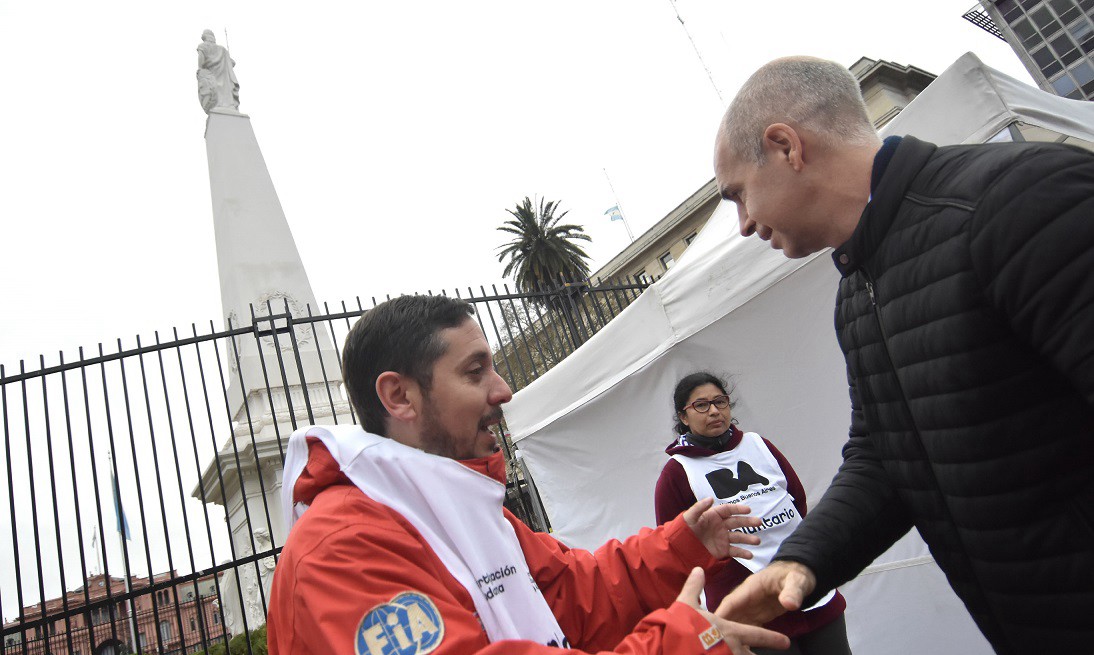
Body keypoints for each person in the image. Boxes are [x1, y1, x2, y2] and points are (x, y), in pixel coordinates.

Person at [710, 56, 1094, 655]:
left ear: (786, 146)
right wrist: (804, 563)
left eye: (738, 195)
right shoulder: (856, 292)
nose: (741, 225)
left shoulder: (1021, 201)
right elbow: (888, 457)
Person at [266, 294, 791, 655]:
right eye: (476, 372)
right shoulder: (342, 548)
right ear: (399, 396)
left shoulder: (462, 507)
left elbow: (573, 594)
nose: (503, 390)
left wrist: (680, 545)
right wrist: (684, 641)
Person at [655, 372, 849, 655]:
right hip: (747, 606)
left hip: (805, 584)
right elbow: (672, 544)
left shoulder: (759, 445)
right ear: (683, 417)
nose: (713, 411)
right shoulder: (677, 472)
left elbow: (797, 499)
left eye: (720, 402)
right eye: (701, 405)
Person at [196, 29, 240, 113]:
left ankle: (218, 106)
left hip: (211, 76)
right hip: (224, 78)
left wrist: (200, 71)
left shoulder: (203, 46)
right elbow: (233, 63)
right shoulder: (222, 50)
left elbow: (201, 62)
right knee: (225, 93)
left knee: (216, 93)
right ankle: (228, 107)